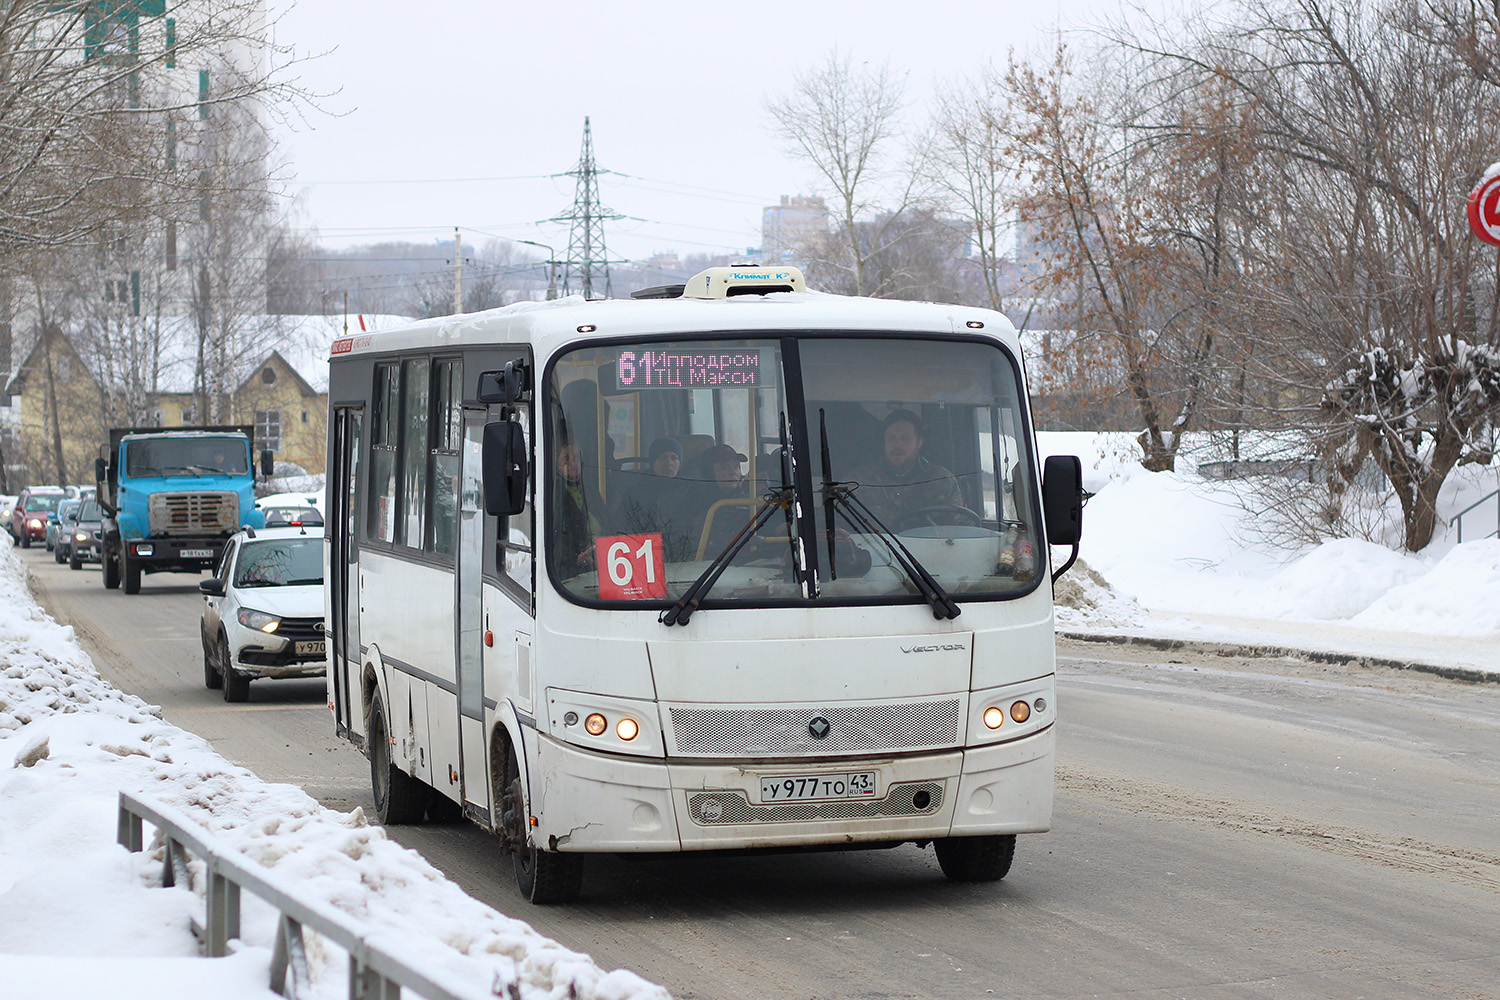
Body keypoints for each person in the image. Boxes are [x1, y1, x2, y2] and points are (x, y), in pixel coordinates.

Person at [855, 410, 964, 526]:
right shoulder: (859, 481)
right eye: (892, 438)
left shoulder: (942, 481)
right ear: (884, 442)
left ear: (919, 442)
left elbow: (961, 526)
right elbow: (842, 524)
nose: (898, 445)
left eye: (905, 438)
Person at [553, 441, 599, 577]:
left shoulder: (590, 490)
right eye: (567, 458)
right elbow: (555, 540)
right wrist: (576, 560)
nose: (572, 463)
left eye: (577, 458)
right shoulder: (553, 493)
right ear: (556, 463)